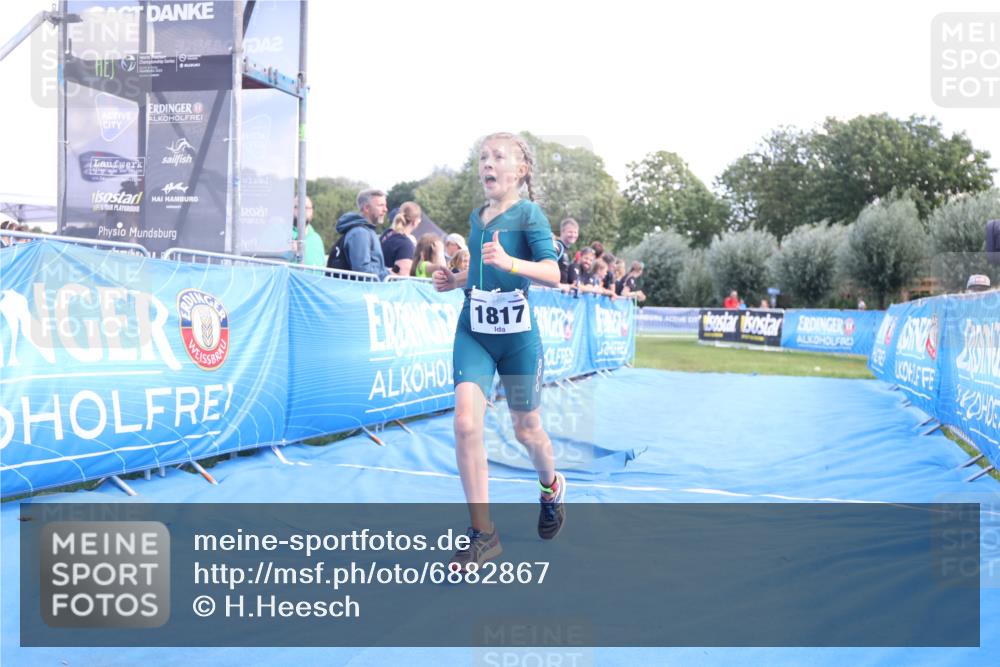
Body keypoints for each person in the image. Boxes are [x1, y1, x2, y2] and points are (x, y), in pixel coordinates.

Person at [430, 132, 565, 571]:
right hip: (474, 331)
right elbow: (480, 276)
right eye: (483, 157)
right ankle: (483, 534)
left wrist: (511, 263)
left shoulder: (529, 215)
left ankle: (550, 487)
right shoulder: (478, 217)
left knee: (527, 431)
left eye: (498, 157)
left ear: (520, 171)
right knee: (466, 422)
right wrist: (456, 281)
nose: (487, 163)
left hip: (518, 339)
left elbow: (552, 273)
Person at [330, 189, 389, 279]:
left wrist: (386, 272)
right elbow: (362, 272)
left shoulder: (366, 231)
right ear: (366, 208)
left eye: (385, 205)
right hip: (360, 288)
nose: (385, 209)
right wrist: (387, 275)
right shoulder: (360, 233)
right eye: (381, 205)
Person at [381, 202, 420, 276]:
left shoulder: (386, 234)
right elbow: (403, 277)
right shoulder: (405, 244)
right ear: (415, 222)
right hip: (389, 283)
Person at [292, 196, 326, 267]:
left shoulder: (316, 238)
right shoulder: (283, 233)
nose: (302, 211)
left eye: (306, 208)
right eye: (297, 207)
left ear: (312, 211)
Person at [555, 218, 579, 284]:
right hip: (553, 288)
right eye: (570, 232)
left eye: (575, 232)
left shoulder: (567, 250)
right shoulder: (557, 246)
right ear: (562, 232)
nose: (573, 235)